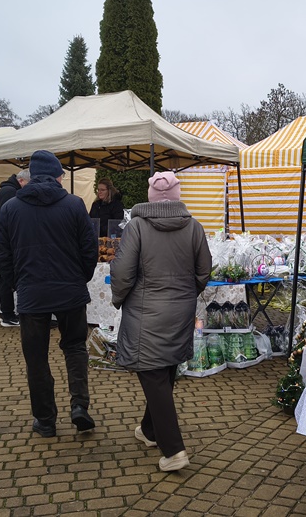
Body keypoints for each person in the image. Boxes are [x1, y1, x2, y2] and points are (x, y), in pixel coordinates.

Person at [0, 150, 99, 438]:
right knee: (75, 348)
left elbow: (1, 254)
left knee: (36, 357)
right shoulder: (74, 205)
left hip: (32, 294)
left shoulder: (11, 208)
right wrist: (80, 278)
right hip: (69, 291)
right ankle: (79, 406)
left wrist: (18, 283)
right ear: (57, 176)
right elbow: (89, 249)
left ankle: (45, 419)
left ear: (31, 176)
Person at [111, 171, 211, 472]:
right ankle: (149, 430)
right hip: (180, 310)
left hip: (146, 311)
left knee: (154, 374)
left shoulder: (137, 227)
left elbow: (122, 272)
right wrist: (186, 293)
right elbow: (204, 270)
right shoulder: (194, 227)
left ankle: (174, 450)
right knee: (163, 370)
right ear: (177, 196)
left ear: (150, 197)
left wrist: (119, 298)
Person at [0, 169, 30, 327]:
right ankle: (8, 315)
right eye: (29, 183)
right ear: (21, 181)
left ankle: (9, 314)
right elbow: (9, 220)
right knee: (6, 277)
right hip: (3, 242)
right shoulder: (10, 193)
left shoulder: (7, 190)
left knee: (5, 277)